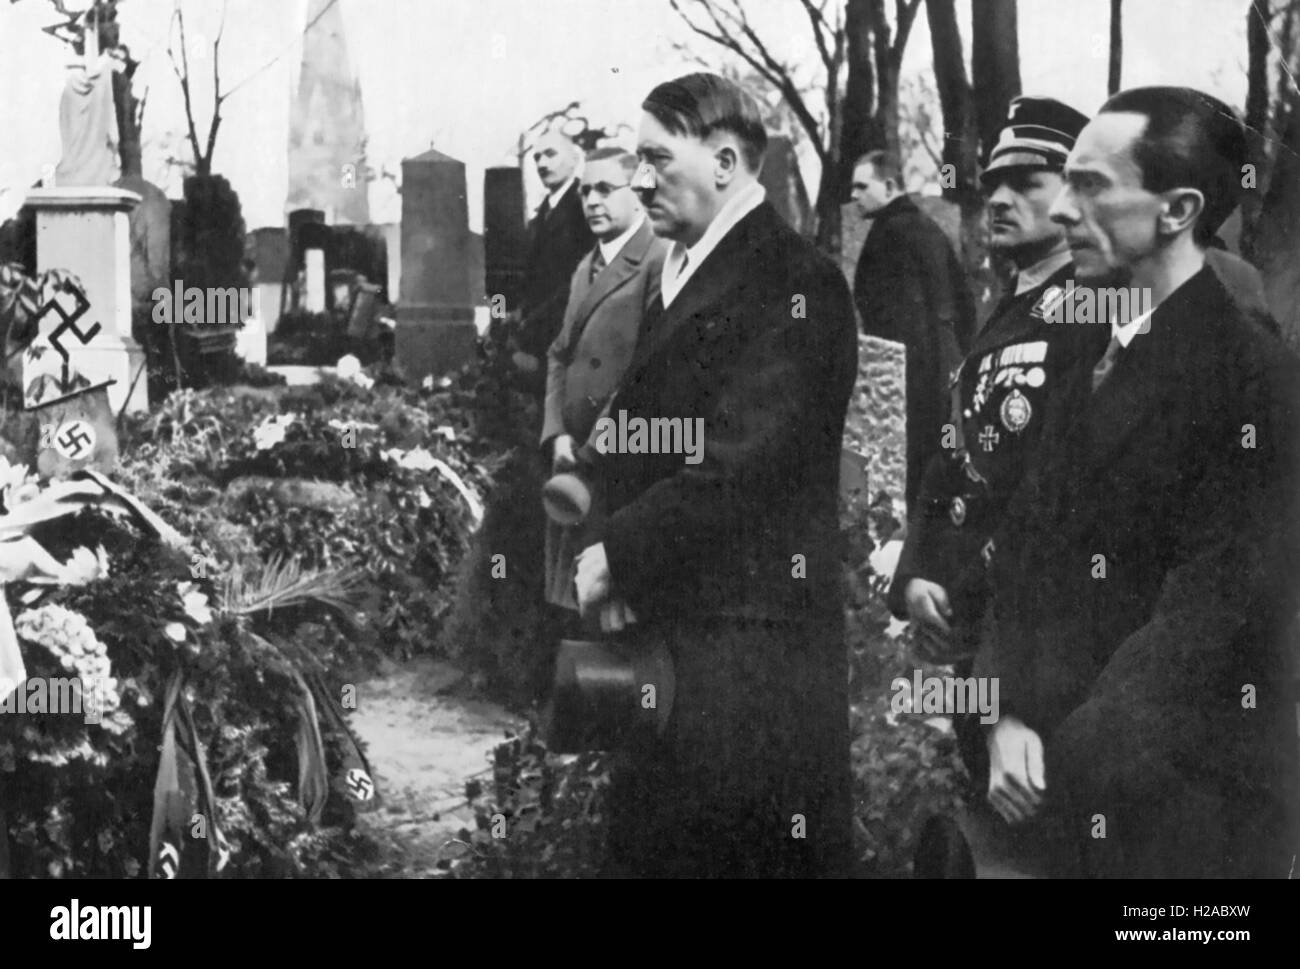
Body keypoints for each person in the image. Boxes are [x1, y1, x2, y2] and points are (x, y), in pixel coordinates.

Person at [976, 86, 1300, 876]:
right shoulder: (1086, 342)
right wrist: (1004, 710)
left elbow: (1205, 619)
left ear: (1177, 209)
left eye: (1091, 185)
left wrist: (1053, 754)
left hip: (1183, 818)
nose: (1061, 211)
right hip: (1056, 782)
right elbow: (1024, 549)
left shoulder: (1255, 379)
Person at [572, 72, 858, 877]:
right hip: (678, 633)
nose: (637, 179)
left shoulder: (795, 281)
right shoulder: (687, 267)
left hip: (750, 656)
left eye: (657, 159)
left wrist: (619, 551)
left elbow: (741, 460)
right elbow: (633, 436)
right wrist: (618, 553)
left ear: (727, 161)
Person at [887, 98, 1105, 785]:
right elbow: (952, 458)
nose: (1001, 202)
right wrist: (915, 574)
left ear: (1075, 194)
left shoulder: (1095, 307)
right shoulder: (1011, 303)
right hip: (970, 628)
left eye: (1028, 183)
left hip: (1043, 646)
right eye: (993, 187)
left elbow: (1057, 494)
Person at [540, 147, 667, 615]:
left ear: (638, 195)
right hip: (571, 457)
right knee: (571, 598)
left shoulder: (658, 259)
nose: (591, 200)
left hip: (618, 457)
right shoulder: (585, 265)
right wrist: (556, 434)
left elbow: (648, 369)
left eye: (605, 189)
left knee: (612, 600)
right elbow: (558, 353)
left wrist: (593, 447)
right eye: (584, 190)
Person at [851, 150, 974, 510]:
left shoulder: (891, 234)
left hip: (909, 378)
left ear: (889, 186)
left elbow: (894, 320)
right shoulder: (927, 228)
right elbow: (964, 304)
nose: (854, 195)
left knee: (911, 481)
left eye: (862, 186)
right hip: (943, 371)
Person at [511, 130, 594, 396]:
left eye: (550, 154)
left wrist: (532, 323)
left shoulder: (586, 206)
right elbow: (526, 281)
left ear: (574, 159)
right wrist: (507, 314)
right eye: (536, 158)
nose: (542, 164)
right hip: (537, 341)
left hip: (569, 336)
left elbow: (585, 275)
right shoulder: (540, 216)